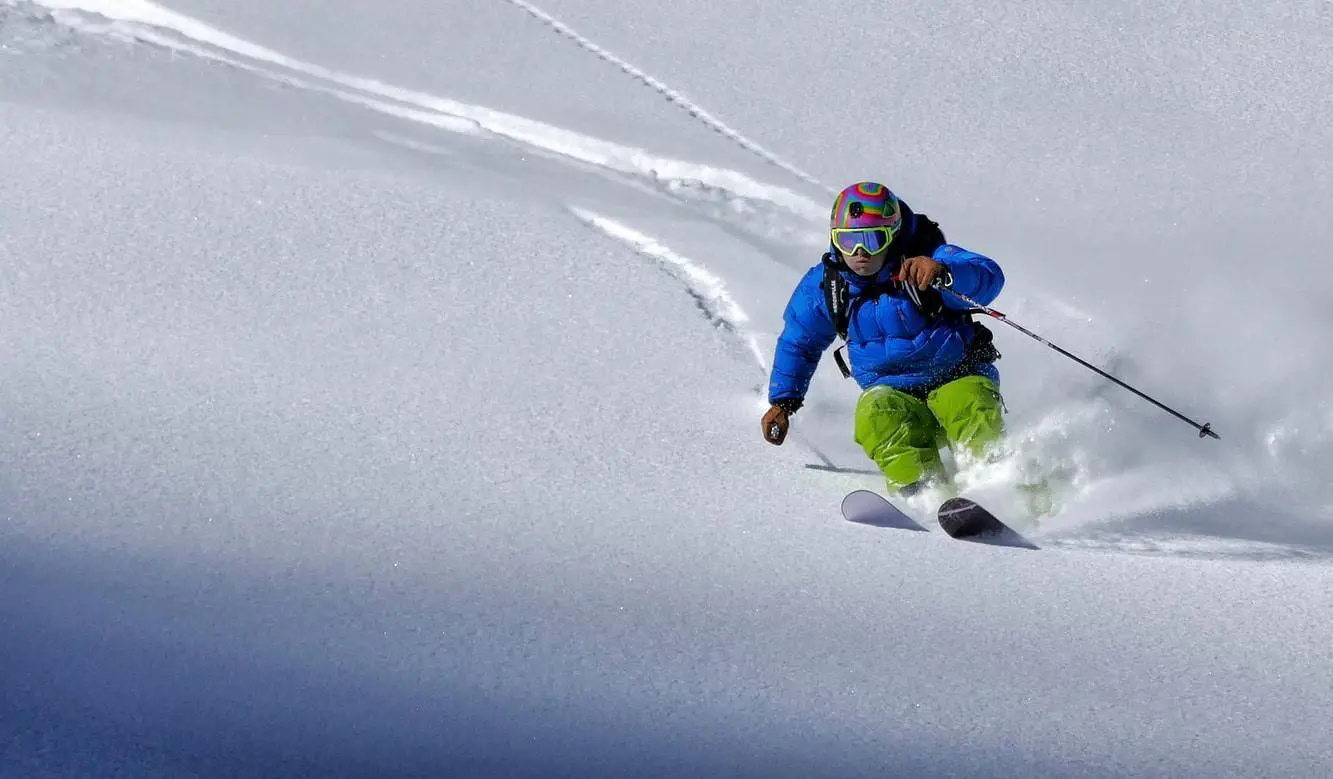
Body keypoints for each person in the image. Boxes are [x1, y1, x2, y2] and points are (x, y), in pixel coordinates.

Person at [761, 181, 1007, 497]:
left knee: (968, 404)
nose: (860, 253)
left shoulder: (926, 259)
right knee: (876, 415)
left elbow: (988, 276)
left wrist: (945, 272)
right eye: (848, 241)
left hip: (957, 375)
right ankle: (923, 492)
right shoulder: (826, 287)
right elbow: (799, 341)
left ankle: (998, 483)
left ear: (891, 236)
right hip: (893, 392)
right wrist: (784, 401)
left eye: (872, 240)